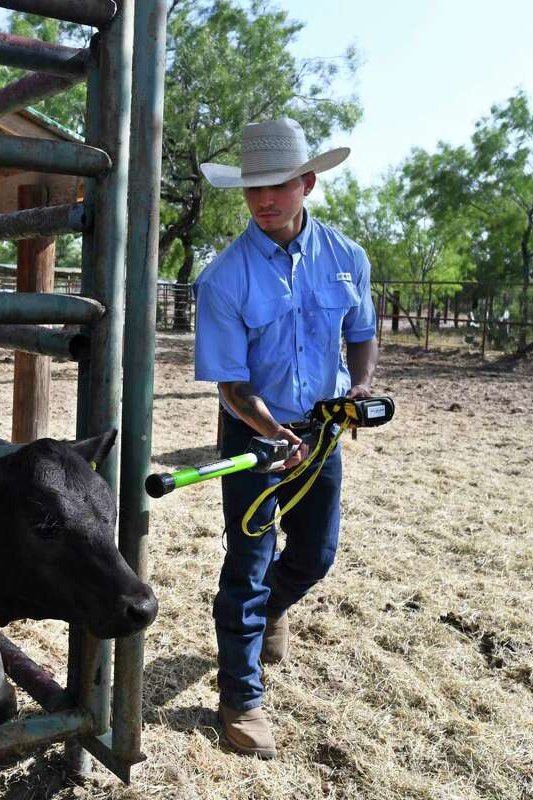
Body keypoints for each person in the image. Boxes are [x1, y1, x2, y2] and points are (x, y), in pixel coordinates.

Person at [193, 117, 379, 759]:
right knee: (246, 565)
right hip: (253, 431)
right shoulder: (223, 278)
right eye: (252, 190)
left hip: (323, 427)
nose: (264, 200)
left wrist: (358, 387)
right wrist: (273, 433)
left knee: (317, 553)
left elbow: (361, 333)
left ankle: (270, 611)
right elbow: (231, 385)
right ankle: (241, 698)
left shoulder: (347, 259)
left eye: (277, 186)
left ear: (307, 183)